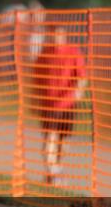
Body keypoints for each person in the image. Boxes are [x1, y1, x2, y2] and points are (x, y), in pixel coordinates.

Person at [36, 25, 87, 185]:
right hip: (49, 104)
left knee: (64, 140)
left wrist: (79, 90)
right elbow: (36, 78)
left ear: (64, 35)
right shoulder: (45, 53)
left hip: (67, 104)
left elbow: (82, 76)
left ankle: (57, 168)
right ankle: (52, 172)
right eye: (53, 35)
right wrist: (34, 100)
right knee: (49, 138)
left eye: (59, 34)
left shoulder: (73, 51)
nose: (56, 38)